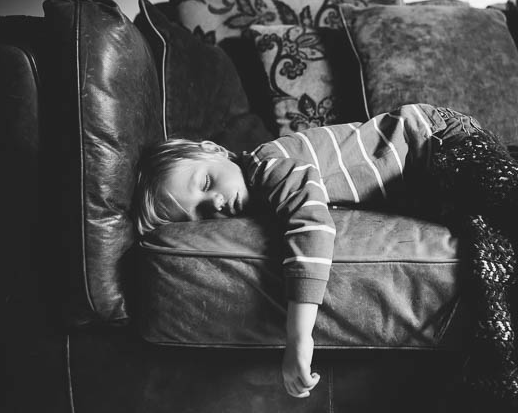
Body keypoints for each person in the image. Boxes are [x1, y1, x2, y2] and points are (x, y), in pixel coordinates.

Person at [132, 103, 489, 398]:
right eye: (199, 213)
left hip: (432, 138)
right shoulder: (258, 199)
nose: (217, 204)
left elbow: (313, 223)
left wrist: (298, 336)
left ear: (216, 150)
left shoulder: (266, 162)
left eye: (206, 183)